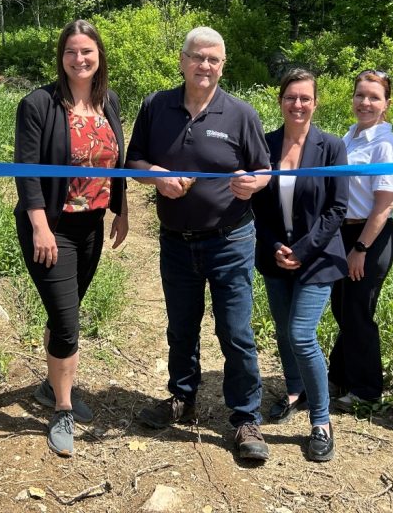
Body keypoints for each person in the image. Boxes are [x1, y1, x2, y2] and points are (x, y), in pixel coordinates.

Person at [126, 26, 272, 462]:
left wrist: (253, 185)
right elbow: (133, 161)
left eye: (213, 59)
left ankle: (246, 417)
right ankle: (181, 396)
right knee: (180, 326)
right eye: (197, 57)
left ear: (223, 65)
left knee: (236, 332)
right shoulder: (156, 106)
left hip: (230, 239)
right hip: (176, 241)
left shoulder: (241, 114)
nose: (204, 66)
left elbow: (263, 169)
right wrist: (157, 176)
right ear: (182, 60)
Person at [14, 19, 128, 457]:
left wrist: (122, 209)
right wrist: (40, 225)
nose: (79, 59)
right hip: (52, 227)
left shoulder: (109, 103)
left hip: (92, 225)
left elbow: (116, 160)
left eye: (87, 52)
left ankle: (49, 383)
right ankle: (61, 406)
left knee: (68, 309)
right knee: (67, 321)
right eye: (71, 52)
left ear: (99, 56)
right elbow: (26, 171)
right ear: (61, 57)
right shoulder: (40, 104)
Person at [251, 68, 348, 462]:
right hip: (276, 255)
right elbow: (257, 202)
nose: (298, 104)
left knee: (301, 334)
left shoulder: (332, 146)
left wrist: (303, 249)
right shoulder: (266, 144)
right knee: (283, 331)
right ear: (280, 100)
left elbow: (337, 207)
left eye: (305, 98)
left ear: (315, 102)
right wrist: (275, 244)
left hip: (318, 258)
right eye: (291, 97)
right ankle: (295, 390)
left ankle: (321, 421)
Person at [329, 69, 393, 410]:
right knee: (342, 309)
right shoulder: (350, 137)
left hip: (368, 236)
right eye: (360, 95)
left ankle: (367, 391)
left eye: (374, 97)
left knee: (358, 311)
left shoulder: (387, 146)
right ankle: (339, 374)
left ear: (387, 104)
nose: (365, 102)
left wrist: (360, 249)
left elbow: (383, 206)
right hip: (341, 233)